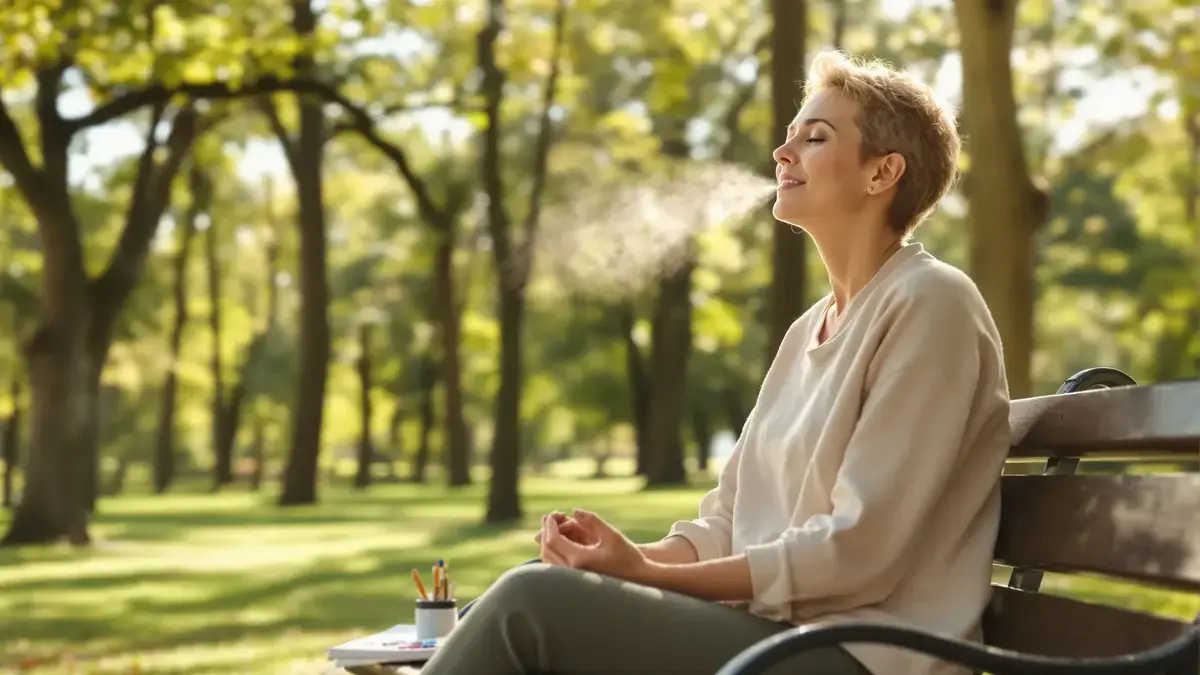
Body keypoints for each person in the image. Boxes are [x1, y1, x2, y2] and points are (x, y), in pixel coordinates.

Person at [420, 50, 1010, 675]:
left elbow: (861, 551)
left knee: (531, 604)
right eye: (788, 138)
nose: (783, 155)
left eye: (814, 138)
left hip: (865, 657)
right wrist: (624, 559)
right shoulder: (808, 330)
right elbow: (727, 523)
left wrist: (645, 576)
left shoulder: (932, 304)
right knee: (540, 580)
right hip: (780, 638)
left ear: (882, 172)